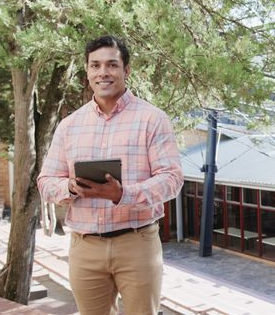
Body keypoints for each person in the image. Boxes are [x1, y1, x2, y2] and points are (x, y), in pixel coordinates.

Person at [37, 35, 183, 315]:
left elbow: (172, 179)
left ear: (126, 71)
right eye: (95, 65)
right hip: (85, 246)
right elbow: (45, 182)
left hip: (137, 243)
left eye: (111, 65)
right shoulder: (69, 126)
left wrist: (122, 194)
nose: (103, 72)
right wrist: (69, 187)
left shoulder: (152, 119)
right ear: (87, 71)